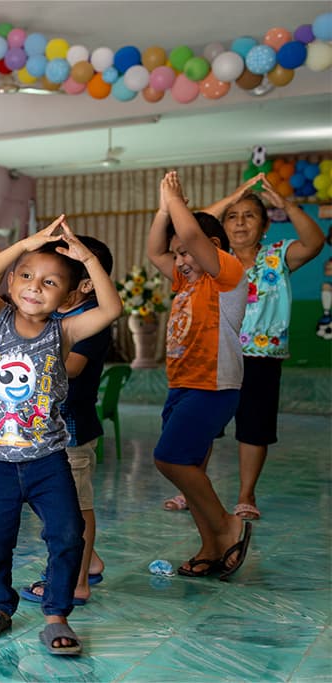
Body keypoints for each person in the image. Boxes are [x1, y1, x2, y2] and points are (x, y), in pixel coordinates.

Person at [0, 216, 121, 656]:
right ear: (12, 280)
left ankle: (56, 614)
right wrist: (26, 242)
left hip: (47, 460)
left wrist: (87, 257)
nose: (35, 286)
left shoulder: (65, 331)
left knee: (68, 535)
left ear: (68, 297)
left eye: (50, 282)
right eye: (27, 276)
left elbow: (111, 310)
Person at [147, 171, 252, 581]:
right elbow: (158, 249)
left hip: (213, 385)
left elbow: (191, 236)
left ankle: (228, 526)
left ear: (213, 249)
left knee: (169, 458)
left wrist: (176, 201)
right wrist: (162, 209)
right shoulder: (185, 281)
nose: (180, 260)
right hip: (183, 385)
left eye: (187, 253)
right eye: (178, 256)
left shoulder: (226, 276)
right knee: (189, 470)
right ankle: (210, 546)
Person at [204, 173, 324, 521]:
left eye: (249, 215)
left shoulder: (279, 256)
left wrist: (284, 203)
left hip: (262, 357)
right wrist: (233, 196)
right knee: (204, 423)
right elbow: (189, 230)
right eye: (233, 216)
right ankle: (191, 488)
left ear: (265, 223)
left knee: (254, 427)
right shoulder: (213, 258)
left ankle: (246, 495)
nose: (240, 223)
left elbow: (314, 241)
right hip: (216, 354)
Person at [19, 235, 113, 607]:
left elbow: (72, 368)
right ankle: (88, 563)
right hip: (53, 429)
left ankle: (74, 583)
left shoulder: (89, 320)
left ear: (85, 283)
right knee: (59, 503)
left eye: (54, 276)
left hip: (73, 429)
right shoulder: (56, 314)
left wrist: (28, 355)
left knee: (74, 509)